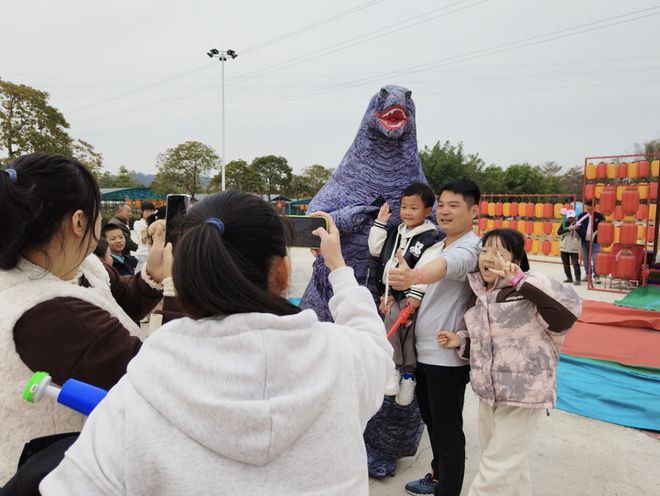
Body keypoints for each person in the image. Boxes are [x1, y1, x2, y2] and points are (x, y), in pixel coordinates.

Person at [40, 190, 394, 496]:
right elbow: (373, 341)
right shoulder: (346, 358)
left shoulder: (141, 390)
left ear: (183, 276)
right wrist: (339, 269)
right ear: (283, 272)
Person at [0, 154, 170, 484]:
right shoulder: (50, 312)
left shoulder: (79, 267)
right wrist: (182, 287)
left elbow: (119, 304)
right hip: (54, 475)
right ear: (79, 221)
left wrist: (153, 273)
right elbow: (158, 381)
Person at [437, 228, 581, 495]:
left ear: (515, 258)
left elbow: (567, 312)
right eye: (485, 251)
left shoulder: (529, 287)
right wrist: (461, 341)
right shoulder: (479, 296)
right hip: (488, 395)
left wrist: (519, 280)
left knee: (496, 470)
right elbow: (488, 342)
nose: (489, 258)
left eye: (499, 252)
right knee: (509, 466)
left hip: (523, 395)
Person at [389, 179, 482, 496]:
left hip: (447, 358)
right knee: (433, 423)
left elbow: (447, 268)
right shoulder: (439, 245)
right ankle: (438, 475)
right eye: (441, 204)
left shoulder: (471, 246)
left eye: (454, 205)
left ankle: (448, 489)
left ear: (474, 211)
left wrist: (413, 275)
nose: (444, 210)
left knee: (447, 431)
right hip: (424, 352)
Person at [369, 182, 440, 406]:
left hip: (411, 295)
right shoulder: (395, 232)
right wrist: (380, 222)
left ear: (428, 211)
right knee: (394, 323)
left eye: (414, 208)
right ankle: (401, 372)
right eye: (404, 207)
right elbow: (375, 249)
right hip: (390, 294)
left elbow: (427, 267)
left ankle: (404, 373)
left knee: (407, 332)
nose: (407, 212)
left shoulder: (431, 238)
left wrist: (416, 296)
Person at [575, 202, 604, 283]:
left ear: (594, 207)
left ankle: (597, 276)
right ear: (585, 207)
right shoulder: (581, 216)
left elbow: (604, 227)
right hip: (584, 242)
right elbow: (578, 227)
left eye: (590, 208)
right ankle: (588, 274)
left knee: (595, 259)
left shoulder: (599, 216)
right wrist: (581, 236)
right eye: (587, 208)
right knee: (585, 259)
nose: (589, 210)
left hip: (595, 242)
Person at [557, 209, 581, 285]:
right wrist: (568, 229)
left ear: (575, 217)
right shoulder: (564, 223)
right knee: (565, 264)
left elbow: (582, 235)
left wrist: (576, 230)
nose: (571, 219)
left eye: (572, 217)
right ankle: (569, 278)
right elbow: (559, 232)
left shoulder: (579, 224)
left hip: (574, 248)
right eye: (569, 217)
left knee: (575, 263)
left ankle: (577, 279)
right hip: (564, 247)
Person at [132, 200, 156, 273]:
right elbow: (143, 240)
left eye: (152, 211)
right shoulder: (138, 223)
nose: (150, 213)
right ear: (142, 212)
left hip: (154, 253)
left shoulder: (157, 222)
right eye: (147, 211)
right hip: (144, 254)